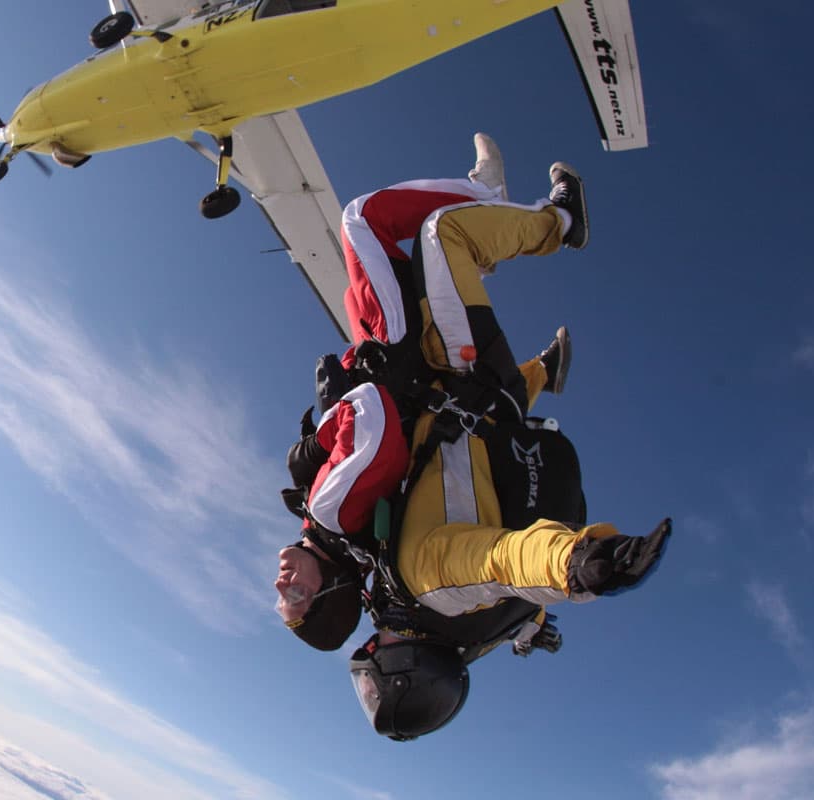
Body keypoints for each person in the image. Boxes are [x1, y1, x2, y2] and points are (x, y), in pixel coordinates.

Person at [273, 134, 671, 741]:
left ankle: (543, 367)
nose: (281, 584)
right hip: (469, 382)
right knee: (439, 235)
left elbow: (487, 554)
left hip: (476, 400)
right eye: (296, 600)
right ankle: (560, 220)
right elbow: (501, 561)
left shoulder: (433, 606)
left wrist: (533, 631)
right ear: (400, 668)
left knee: (404, 238)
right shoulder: (425, 577)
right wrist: (580, 564)